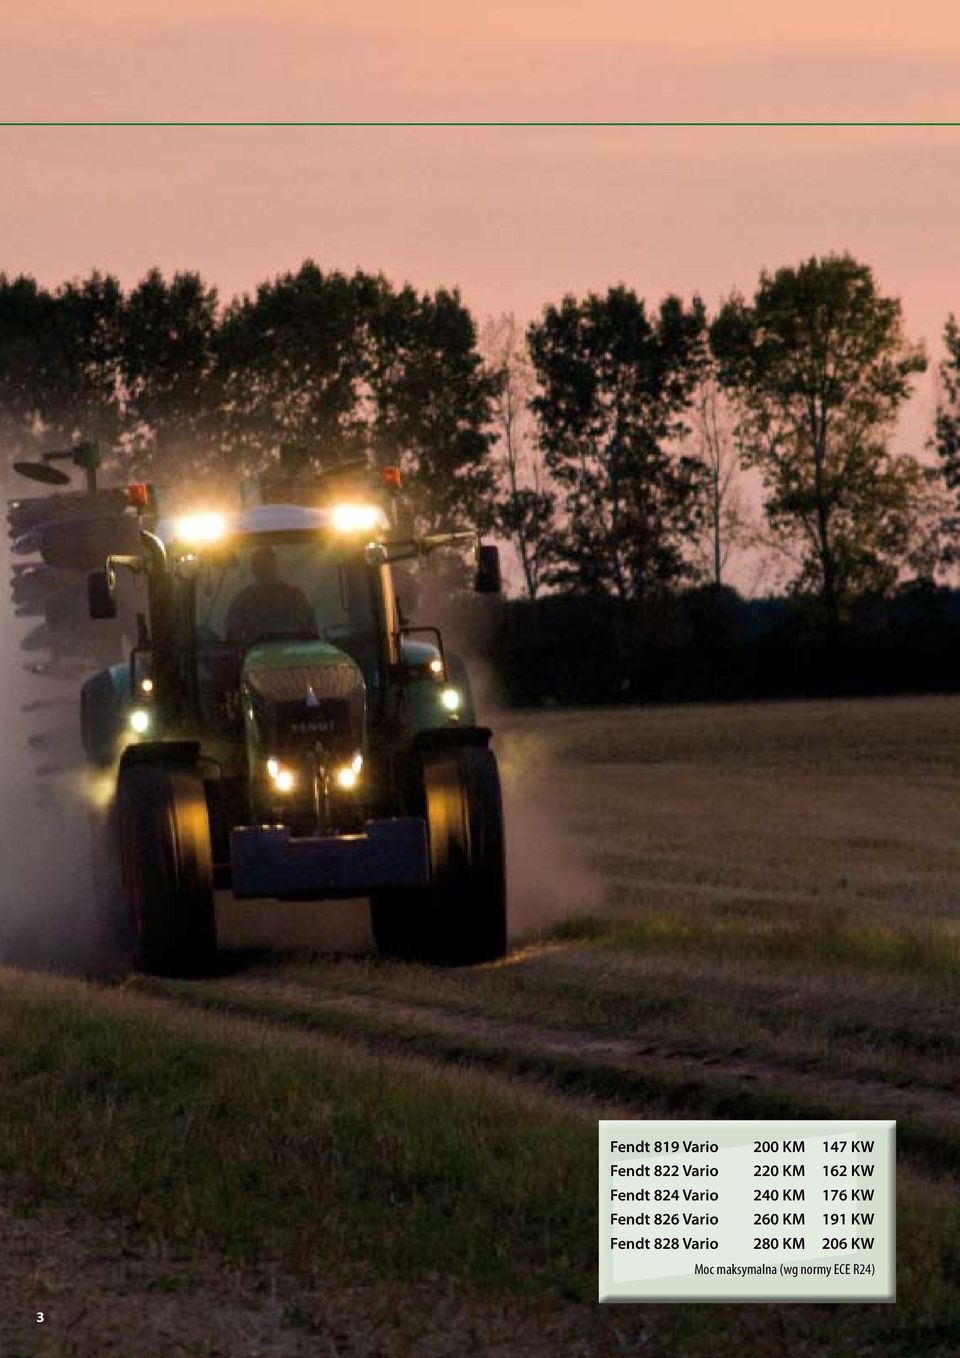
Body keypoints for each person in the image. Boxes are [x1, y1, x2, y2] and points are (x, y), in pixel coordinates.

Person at [225, 545, 317, 645]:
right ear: (253, 569)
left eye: (266, 565)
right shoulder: (242, 602)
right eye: (258, 566)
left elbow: (311, 634)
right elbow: (233, 638)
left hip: (293, 656)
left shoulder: (295, 597)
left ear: (275, 566)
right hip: (254, 657)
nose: (262, 570)